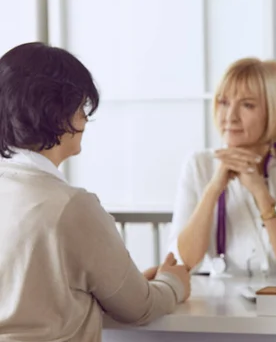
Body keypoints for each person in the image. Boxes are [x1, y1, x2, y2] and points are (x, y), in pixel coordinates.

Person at [0, 42, 191, 341]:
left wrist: (123, 283)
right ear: (56, 112)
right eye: (81, 107)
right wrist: (174, 282)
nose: (85, 119)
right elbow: (140, 308)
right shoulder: (71, 206)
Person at [169, 57, 276, 280]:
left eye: (247, 105)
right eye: (223, 102)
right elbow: (181, 264)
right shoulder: (198, 165)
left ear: (272, 111)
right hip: (220, 306)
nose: (230, 116)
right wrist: (214, 189)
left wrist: (260, 192)